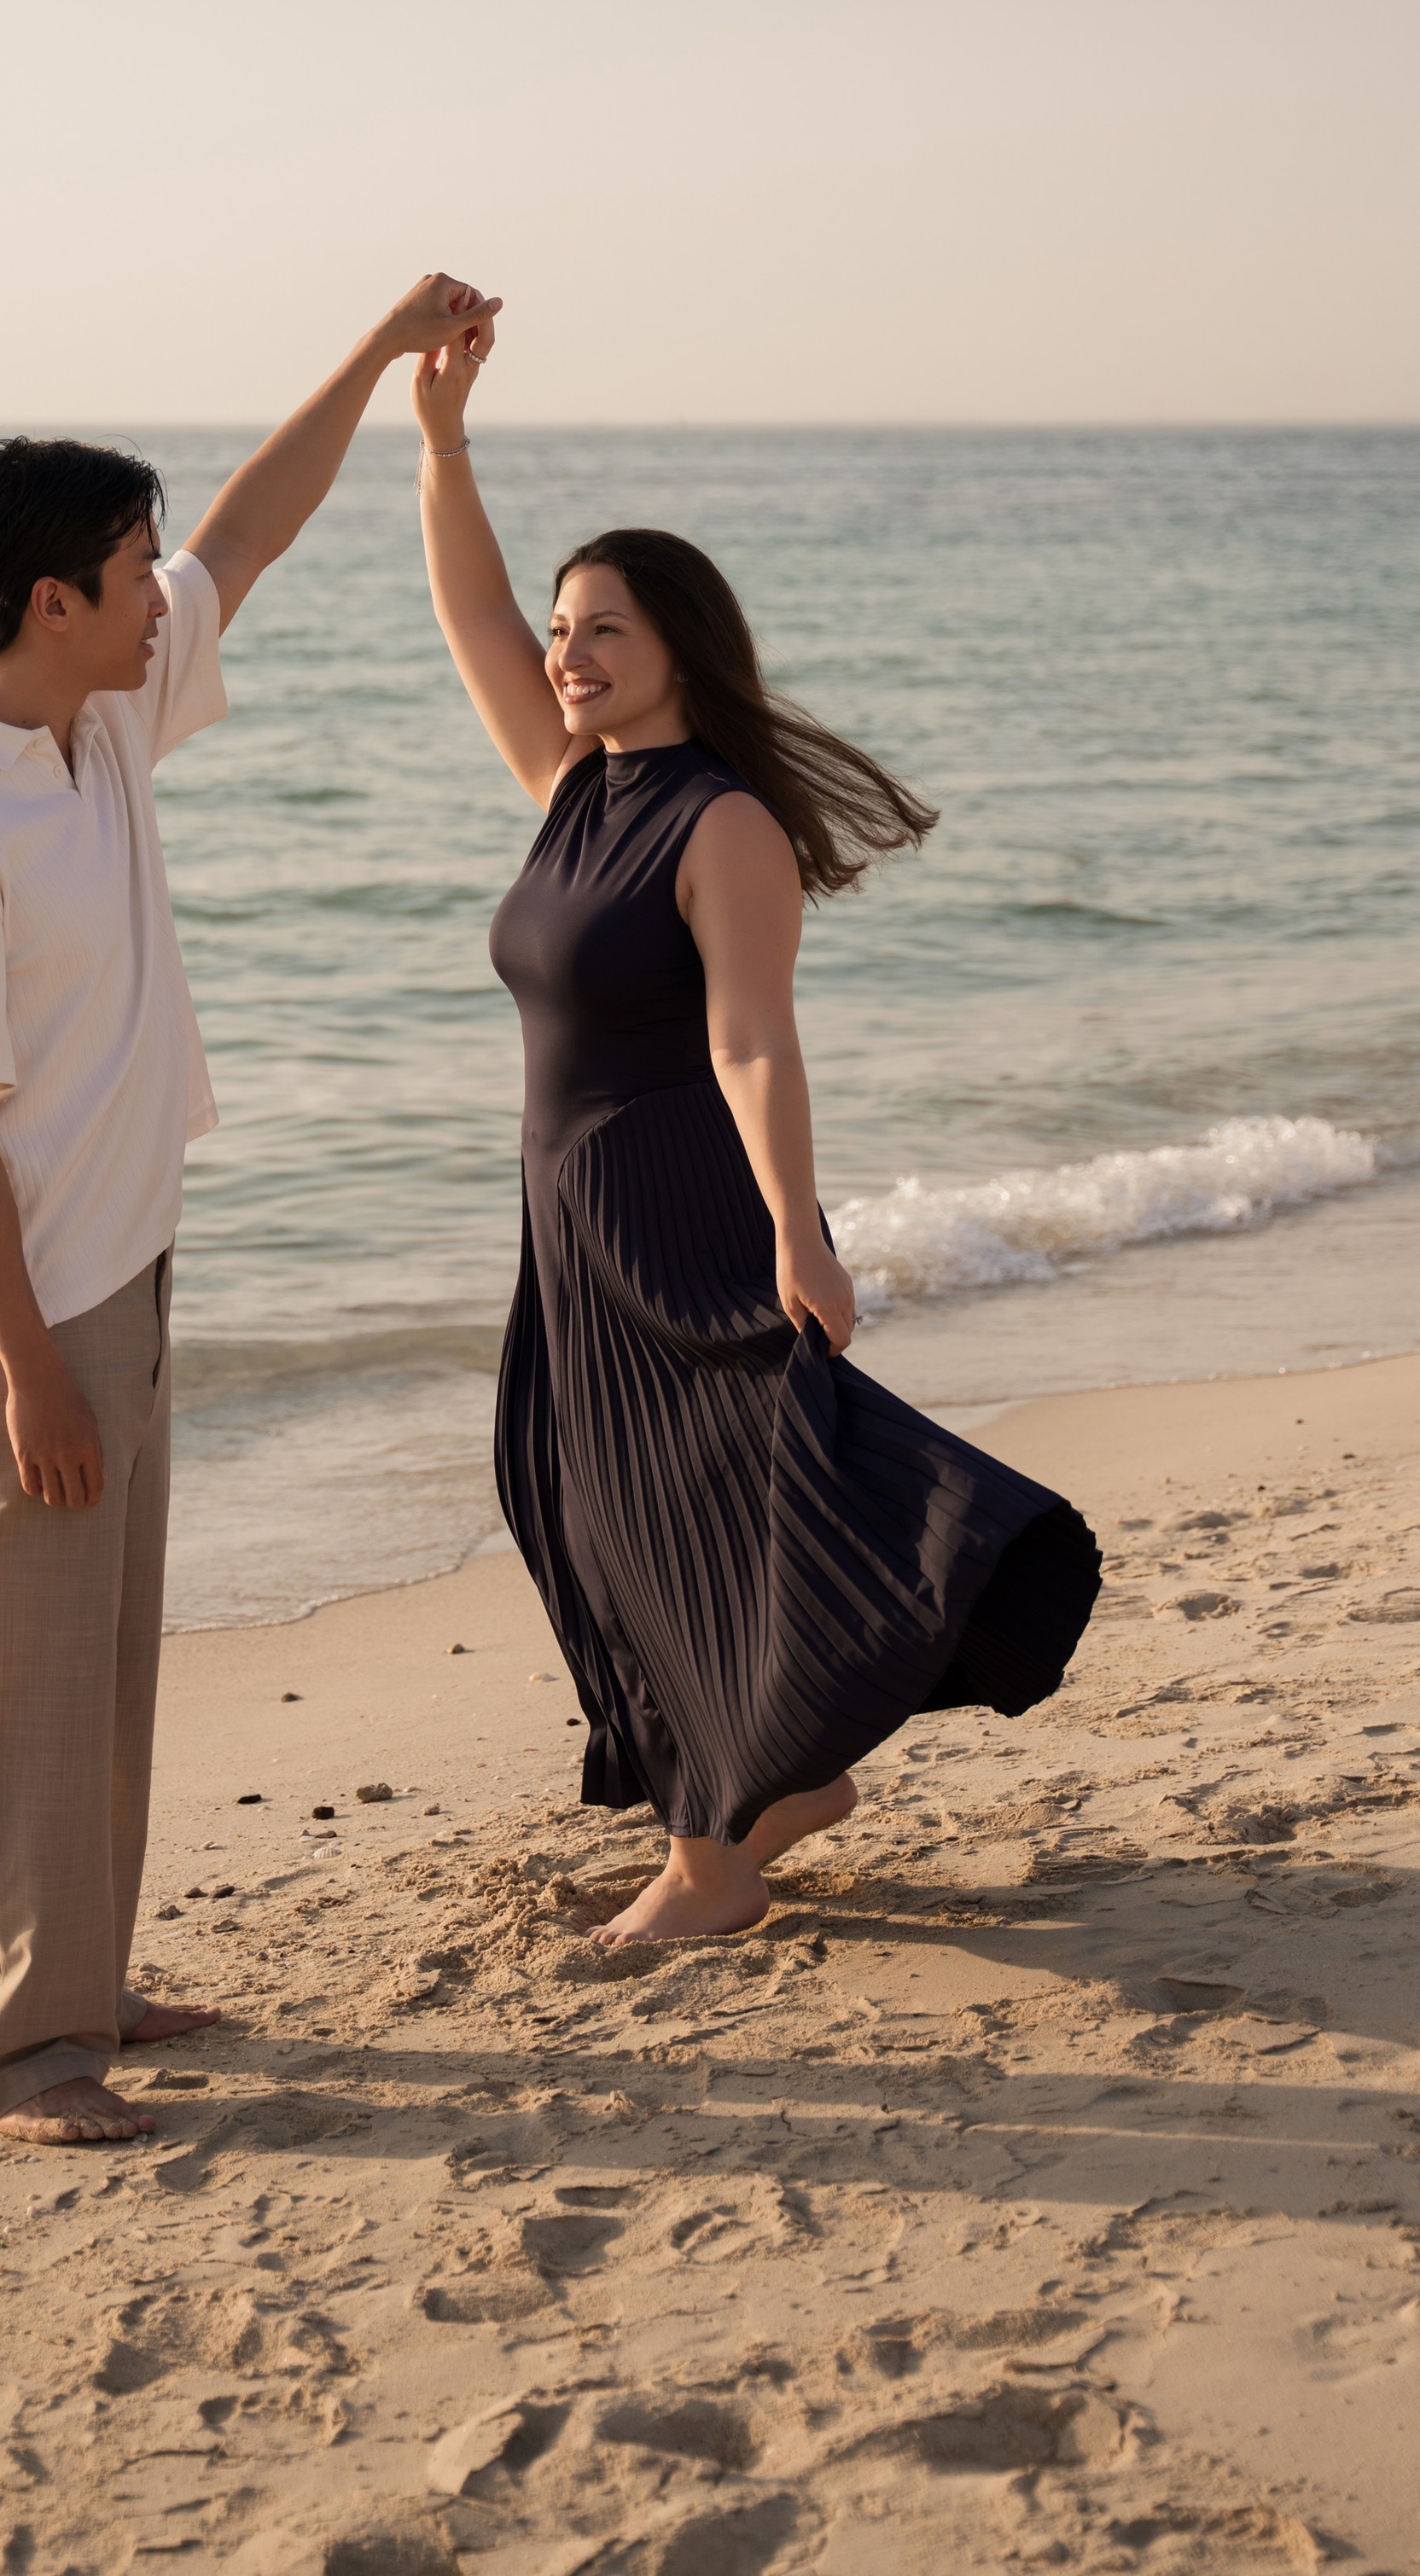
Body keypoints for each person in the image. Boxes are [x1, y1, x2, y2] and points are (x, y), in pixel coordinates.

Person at [0, 273, 501, 2143]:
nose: (163, 593)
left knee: (105, 1673)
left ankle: (85, 1983)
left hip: (121, 1273)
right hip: (15, 1318)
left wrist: (385, 360)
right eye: (130, 574)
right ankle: (19, 2053)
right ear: (52, 600)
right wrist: (39, 1369)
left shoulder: (98, 720)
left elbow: (249, 525)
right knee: (19, 1686)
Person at [410, 317, 1101, 1943]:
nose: (567, 653)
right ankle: (775, 1786)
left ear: (681, 644)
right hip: (570, 1219)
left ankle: (715, 1859)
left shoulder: (718, 818)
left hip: (679, 1205)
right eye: (565, 629)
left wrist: (798, 1223)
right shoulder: (574, 782)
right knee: (584, 1500)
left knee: (688, 1507)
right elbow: (469, 618)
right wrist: (441, 446)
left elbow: (749, 1035)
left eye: (603, 629)